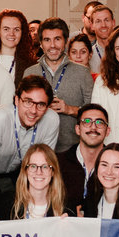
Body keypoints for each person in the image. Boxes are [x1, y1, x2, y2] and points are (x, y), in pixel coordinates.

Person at [0, 75, 60, 218]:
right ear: (16, 100)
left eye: (41, 104)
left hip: (24, 175)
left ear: (47, 107)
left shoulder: (52, 120)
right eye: (28, 102)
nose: (33, 111)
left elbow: (45, 167)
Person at [25, 18, 94, 152]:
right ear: (40, 44)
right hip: (37, 151)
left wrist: (69, 109)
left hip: (73, 151)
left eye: (57, 39)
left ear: (66, 41)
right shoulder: (30, 72)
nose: (52, 45)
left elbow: (94, 115)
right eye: (47, 40)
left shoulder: (82, 73)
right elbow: (21, 114)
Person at [58, 104, 110, 216]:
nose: (93, 127)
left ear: (108, 131)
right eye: (87, 121)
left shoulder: (116, 166)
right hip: (65, 229)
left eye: (99, 122)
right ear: (78, 129)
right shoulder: (58, 163)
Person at [9, 144, 66, 219]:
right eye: (33, 166)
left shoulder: (66, 209)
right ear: (25, 170)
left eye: (45, 166)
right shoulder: (7, 204)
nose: (39, 172)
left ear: (53, 172)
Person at [0, 9, 36, 85]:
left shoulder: (31, 65)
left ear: (22, 33)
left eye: (16, 29)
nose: (11, 33)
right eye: (6, 29)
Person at [88, 4, 116, 74]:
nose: (103, 25)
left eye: (106, 20)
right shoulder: (88, 56)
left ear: (113, 23)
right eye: (98, 21)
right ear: (92, 26)